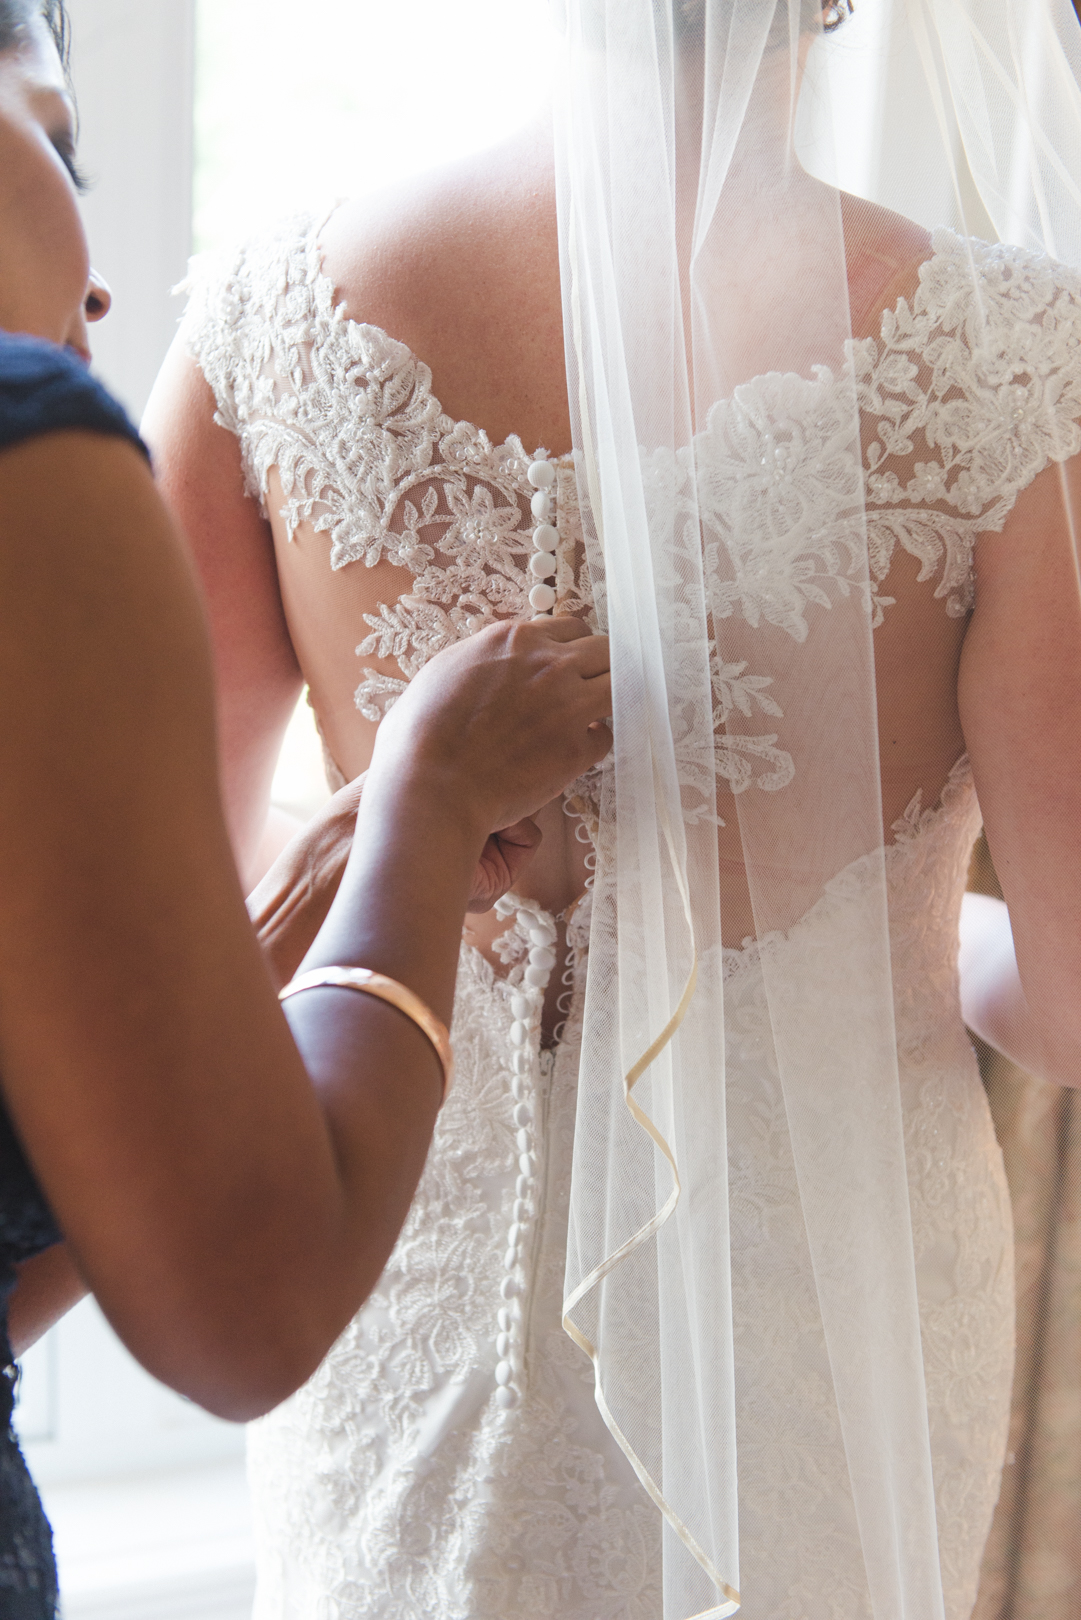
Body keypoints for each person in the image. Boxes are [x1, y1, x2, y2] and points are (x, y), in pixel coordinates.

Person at [145, 0, 1081, 1615]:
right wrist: (910, 938)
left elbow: (168, 965)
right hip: (822, 1330)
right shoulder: (1002, 363)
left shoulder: (269, 316)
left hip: (395, 1279)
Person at [0, 3, 613, 1613]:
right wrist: (421, 808)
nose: (104, 272)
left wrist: (285, 929)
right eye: (57, 142)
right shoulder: (32, 470)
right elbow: (247, 1315)